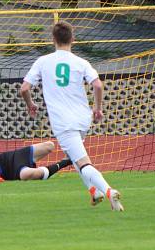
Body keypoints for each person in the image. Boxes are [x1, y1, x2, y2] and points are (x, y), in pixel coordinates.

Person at [19, 22, 125, 211]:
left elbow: (24, 88)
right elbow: (98, 85)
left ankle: (109, 191)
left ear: (53, 40)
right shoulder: (81, 62)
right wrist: (98, 108)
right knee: (73, 155)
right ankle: (94, 191)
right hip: (83, 119)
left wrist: (30, 104)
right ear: (72, 39)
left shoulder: (43, 61)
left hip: (63, 122)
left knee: (83, 162)